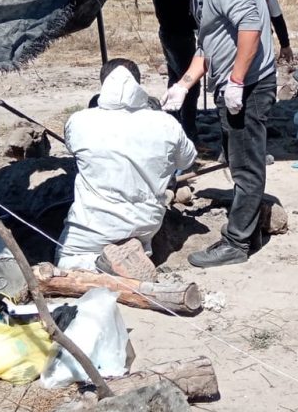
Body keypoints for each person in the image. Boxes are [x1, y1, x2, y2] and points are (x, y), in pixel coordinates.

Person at [150, 0, 278, 268]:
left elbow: (250, 24)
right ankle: (250, 229)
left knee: (246, 165)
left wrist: (236, 81)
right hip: (234, 87)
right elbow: (208, 44)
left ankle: (237, 243)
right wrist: (184, 83)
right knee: (237, 160)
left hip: (249, 86)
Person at [57, 59, 197, 271]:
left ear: (103, 84)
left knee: (66, 262)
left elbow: (72, 150)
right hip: (146, 222)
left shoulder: (79, 121)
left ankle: (99, 265)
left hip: (94, 226)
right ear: (139, 84)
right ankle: (137, 254)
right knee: (140, 242)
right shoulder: (166, 123)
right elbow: (187, 160)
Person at [153, 0, 202, 145]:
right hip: (178, 33)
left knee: (176, 80)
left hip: (170, 31)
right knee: (189, 84)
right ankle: (188, 134)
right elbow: (184, 6)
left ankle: (172, 128)